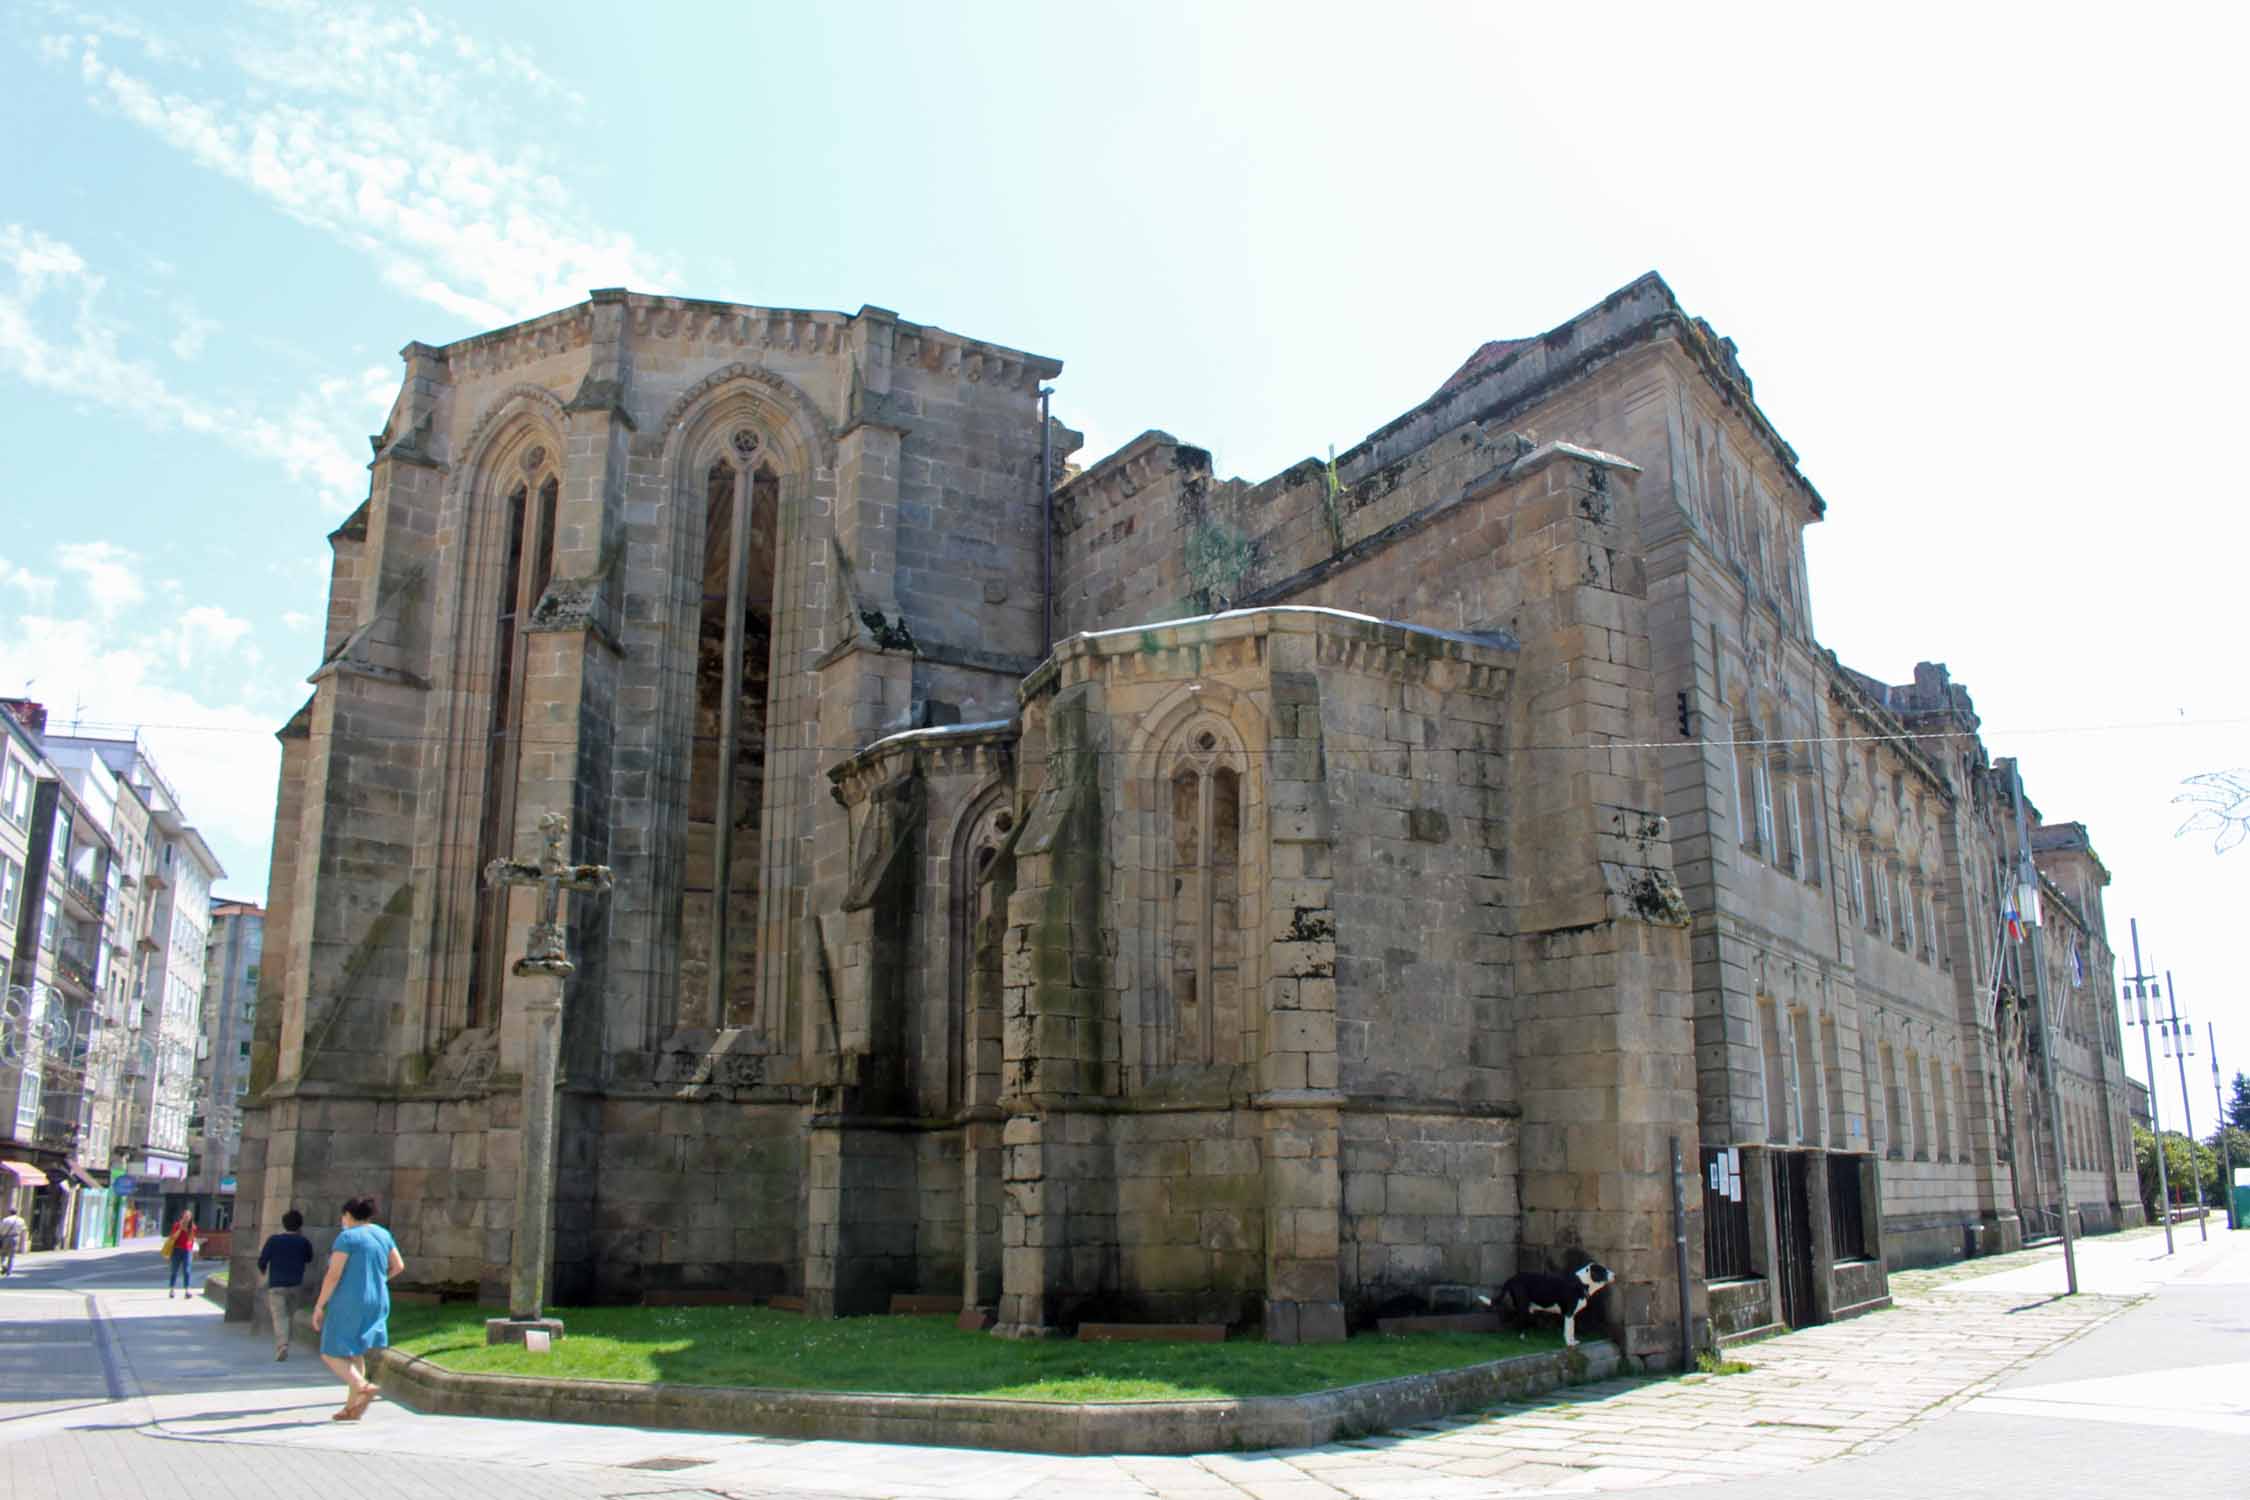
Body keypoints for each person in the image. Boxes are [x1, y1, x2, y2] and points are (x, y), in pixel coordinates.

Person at [311, 1195, 403, 1422]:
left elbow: (334, 1275)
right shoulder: (383, 1234)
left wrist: (319, 1305)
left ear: (349, 1215)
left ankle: (362, 1385)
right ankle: (352, 1408)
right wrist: (378, 1281)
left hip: (349, 1300)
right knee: (356, 1351)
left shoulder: (347, 1238)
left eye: (344, 1215)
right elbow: (399, 1266)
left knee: (330, 1352)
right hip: (378, 1299)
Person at [256, 1208, 317, 1360]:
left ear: (283, 1224)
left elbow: (262, 1260)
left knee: (279, 1316)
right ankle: (287, 1340)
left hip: (276, 1284)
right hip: (296, 1284)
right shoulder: (303, 1242)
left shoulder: (274, 1240)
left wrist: (263, 1270)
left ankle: (282, 1345)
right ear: (300, 1226)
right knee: (290, 1314)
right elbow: (309, 1258)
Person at [165, 1209, 198, 1297]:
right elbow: (173, 1238)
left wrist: (187, 1230)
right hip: (176, 1250)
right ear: (182, 1217)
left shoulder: (193, 1227)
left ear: (191, 1218)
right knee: (174, 1270)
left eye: (188, 1216)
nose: (186, 1218)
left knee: (187, 1270)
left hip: (187, 1250)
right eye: (185, 1216)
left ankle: (187, 1290)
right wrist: (180, 1229)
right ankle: (172, 1290)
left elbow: (190, 1240)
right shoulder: (176, 1225)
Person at [0, 1206, 26, 1275]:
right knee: (11, 1256)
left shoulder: (6, 1220)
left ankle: (2, 1266)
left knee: (3, 1254)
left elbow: (1, 1229)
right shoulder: (21, 1220)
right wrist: (22, 1245)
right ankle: (9, 1271)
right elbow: (23, 1231)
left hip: (6, 1238)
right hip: (15, 1238)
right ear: (16, 1212)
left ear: (9, 1212)